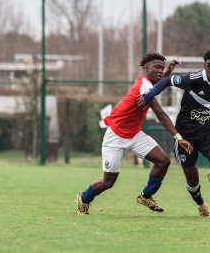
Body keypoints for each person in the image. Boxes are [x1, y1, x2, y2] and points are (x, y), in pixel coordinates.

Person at [76, 53, 193, 215]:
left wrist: (168, 72)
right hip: (116, 137)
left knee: (163, 161)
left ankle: (146, 196)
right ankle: (84, 197)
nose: (160, 71)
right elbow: (160, 115)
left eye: (162, 68)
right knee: (108, 182)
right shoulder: (144, 86)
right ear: (146, 69)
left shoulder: (148, 85)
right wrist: (179, 138)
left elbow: (158, 85)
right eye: (157, 67)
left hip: (134, 135)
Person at [137, 50, 210, 218]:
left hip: (208, 131)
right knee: (192, 179)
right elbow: (166, 81)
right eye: (208, 66)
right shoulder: (192, 79)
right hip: (185, 136)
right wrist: (149, 95)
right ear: (204, 66)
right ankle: (201, 204)